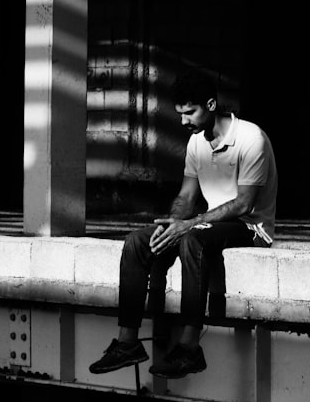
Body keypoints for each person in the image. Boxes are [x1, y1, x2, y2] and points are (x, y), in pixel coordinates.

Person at [88, 70, 277, 379]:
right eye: (180, 113)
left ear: (212, 104)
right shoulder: (195, 144)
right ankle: (128, 343)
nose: (183, 121)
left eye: (190, 112)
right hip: (210, 223)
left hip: (250, 227)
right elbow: (187, 195)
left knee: (194, 239)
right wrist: (175, 221)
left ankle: (189, 347)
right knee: (138, 241)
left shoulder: (250, 138)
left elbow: (244, 203)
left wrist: (191, 225)